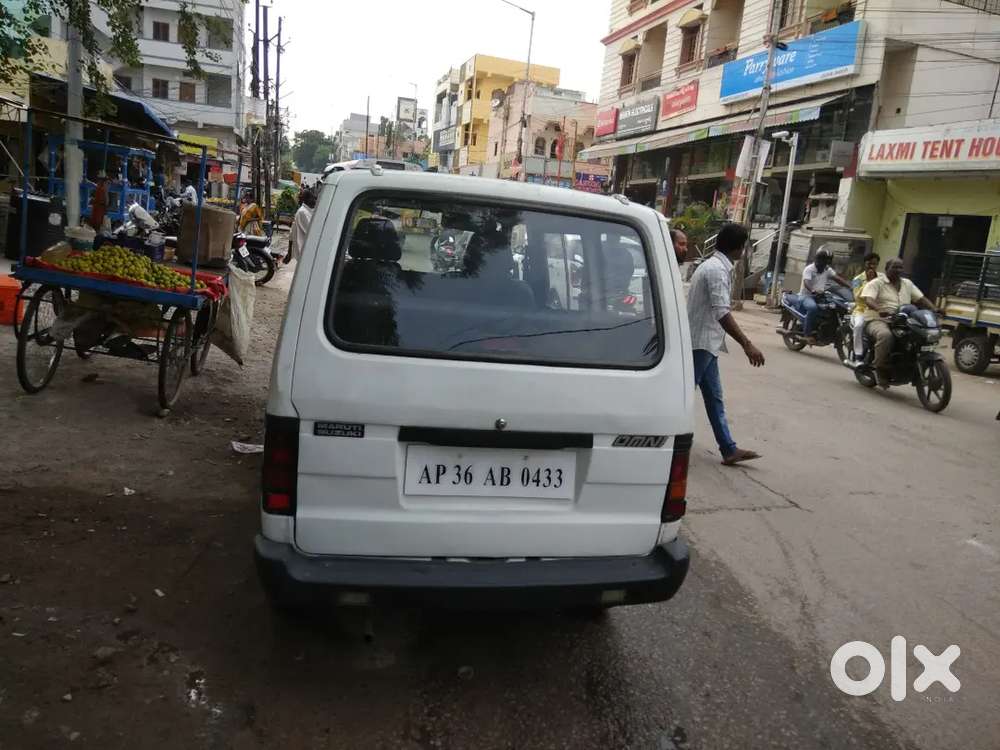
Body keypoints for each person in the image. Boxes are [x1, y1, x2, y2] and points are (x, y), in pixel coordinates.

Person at [687, 222, 765, 466]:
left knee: (714, 398)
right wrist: (747, 343)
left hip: (706, 342)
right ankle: (661, 439)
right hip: (701, 343)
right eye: (745, 246)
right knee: (683, 396)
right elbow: (722, 312)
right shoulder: (717, 271)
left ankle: (729, 448)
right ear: (738, 248)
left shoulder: (713, 266)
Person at [861, 257, 939, 388]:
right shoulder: (876, 283)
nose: (898, 270)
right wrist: (879, 309)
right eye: (895, 267)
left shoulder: (907, 283)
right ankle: (879, 368)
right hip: (878, 319)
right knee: (885, 336)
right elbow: (869, 300)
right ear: (887, 269)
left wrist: (934, 309)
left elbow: (921, 299)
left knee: (919, 336)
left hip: (903, 320)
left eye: (900, 267)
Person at [796, 246, 851, 343]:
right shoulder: (809, 269)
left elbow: (837, 279)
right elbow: (806, 282)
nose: (825, 264)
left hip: (821, 296)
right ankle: (807, 334)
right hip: (806, 296)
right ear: (818, 259)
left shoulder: (827, 270)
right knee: (813, 308)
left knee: (835, 308)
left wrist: (850, 287)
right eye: (824, 261)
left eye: (827, 262)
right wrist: (813, 290)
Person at [849, 252, 881, 362]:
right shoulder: (857, 279)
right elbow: (857, 296)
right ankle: (858, 353)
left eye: (875, 264)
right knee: (858, 326)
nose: (872, 266)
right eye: (869, 264)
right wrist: (869, 283)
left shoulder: (881, 277)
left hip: (878, 310)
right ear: (865, 264)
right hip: (862, 310)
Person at [286, 188, 316, 265]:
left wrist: (289, 253)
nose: (315, 201)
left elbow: (291, 232)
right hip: (305, 250)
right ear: (307, 199)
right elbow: (313, 232)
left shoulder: (310, 211)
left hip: (305, 251)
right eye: (313, 198)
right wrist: (289, 253)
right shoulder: (303, 212)